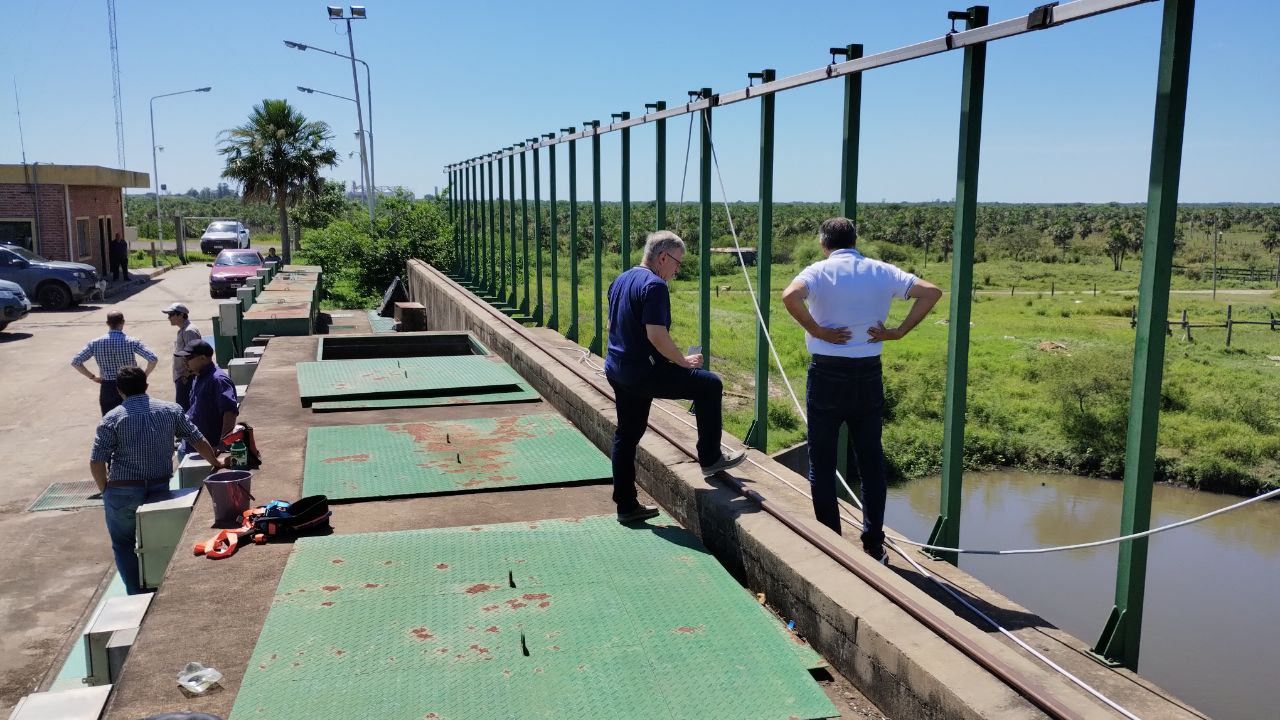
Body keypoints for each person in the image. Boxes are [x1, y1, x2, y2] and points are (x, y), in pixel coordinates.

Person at [782, 217, 942, 564]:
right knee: (870, 462)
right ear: (855, 240)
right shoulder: (881, 271)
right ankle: (873, 544)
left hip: (826, 373)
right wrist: (898, 332)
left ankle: (831, 543)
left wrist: (818, 330)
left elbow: (790, 296)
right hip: (868, 373)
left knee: (821, 462)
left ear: (824, 244)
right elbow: (931, 292)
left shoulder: (818, 271)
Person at [604, 231, 745, 523]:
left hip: (617, 368)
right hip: (641, 372)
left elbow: (612, 324)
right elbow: (656, 334)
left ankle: (626, 505)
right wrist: (683, 362)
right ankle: (709, 458)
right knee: (709, 384)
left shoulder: (621, 279)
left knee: (627, 435)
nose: (677, 271)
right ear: (663, 257)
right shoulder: (655, 286)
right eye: (677, 264)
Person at [90, 366, 223, 594]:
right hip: (160, 488)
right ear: (146, 386)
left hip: (122, 491)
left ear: (120, 391)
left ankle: (136, 592)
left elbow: (96, 461)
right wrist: (216, 463)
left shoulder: (112, 418)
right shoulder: (170, 410)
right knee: (160, 540)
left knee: (124, 544)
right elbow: (197, 439)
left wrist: (105, 490)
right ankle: (166, 586)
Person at [72, 311, 159, 415]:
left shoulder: (95, 343)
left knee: (110, 419)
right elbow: (153, 359)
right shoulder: (132, 341)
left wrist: (93, 377)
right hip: (132, 385)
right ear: (123, 322)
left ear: (107, 323)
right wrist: (144, 375)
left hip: (108, 387)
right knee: (136, 416)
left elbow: (76, 362)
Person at [179, 340, 238, 450]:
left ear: (203, 358)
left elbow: (230, 412)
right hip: (191, 446)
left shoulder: (218, 380)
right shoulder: (198, 376)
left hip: (209, 449)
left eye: (188, 358)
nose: (185, 362)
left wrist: (223, 444)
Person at [163, 303, 203, 412]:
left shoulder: (189, 331)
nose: (168, 318)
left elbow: (194, 354)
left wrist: (186, 374)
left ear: (181, 315)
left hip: (186, 377)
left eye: (171, 315)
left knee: (185, 409)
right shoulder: (183, 330)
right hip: (182, 376)